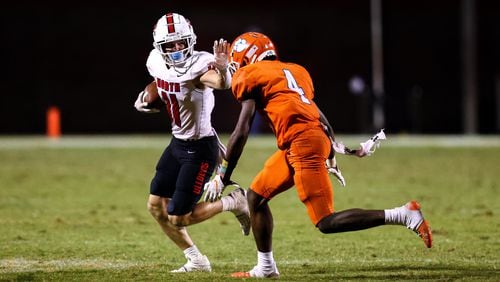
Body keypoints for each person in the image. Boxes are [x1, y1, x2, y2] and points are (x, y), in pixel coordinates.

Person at [204, 31, 432, 278]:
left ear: (248, 59)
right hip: (303, 141)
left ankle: (403, 214)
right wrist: (331, 151)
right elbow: (318, 114)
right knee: (256, 196)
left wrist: (223, 174)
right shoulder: (295, 70)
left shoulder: (250, 75)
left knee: (325, 221)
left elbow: (241, 131)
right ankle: (266, 267)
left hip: (303, 145)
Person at [133, 12, 250, 273]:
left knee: (178, 216)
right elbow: (163, 81)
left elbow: (220, 82)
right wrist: (146, 96)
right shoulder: (155, 61)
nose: (176, 49)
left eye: (181, 42)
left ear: (191, 40)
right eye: (170, 45)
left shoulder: (201, 65)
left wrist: (221, 68)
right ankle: (196, 260)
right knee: (155, 206)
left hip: (200, 148)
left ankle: (235, 201)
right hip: (177, 143)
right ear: (159, 47)